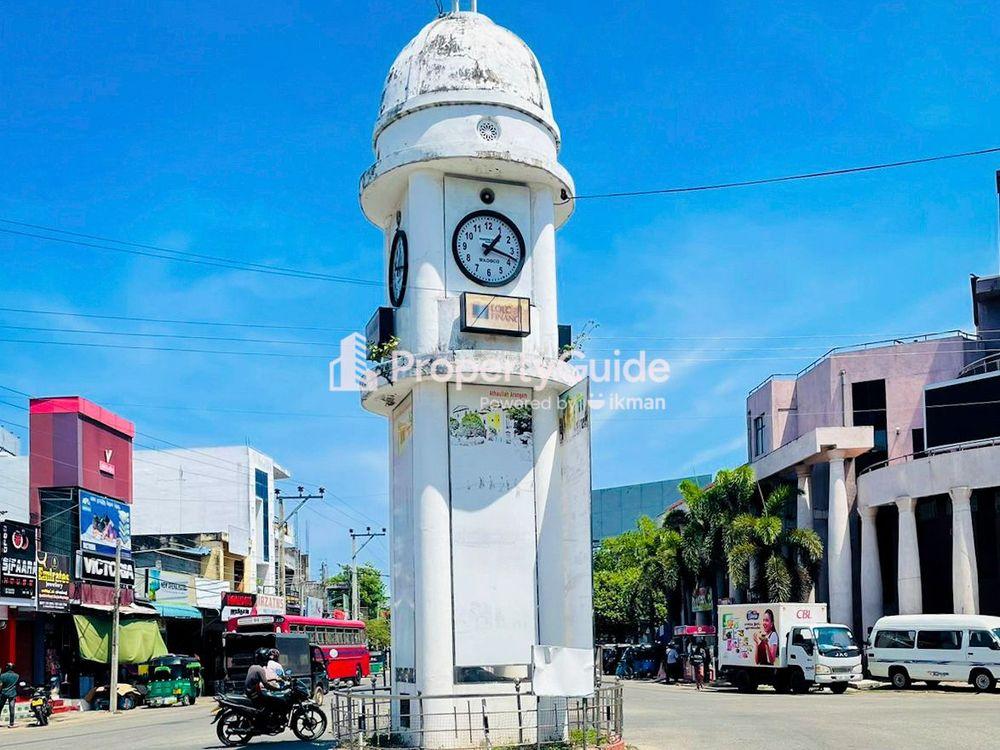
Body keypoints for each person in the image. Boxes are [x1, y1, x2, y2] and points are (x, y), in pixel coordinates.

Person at [245, 648, 285, 716]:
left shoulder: (253, 667)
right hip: (254, 694)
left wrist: (275, 678)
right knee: (273, 700)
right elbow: (266, 684)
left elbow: (263, 680)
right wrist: (277, 689)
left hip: (249, 692)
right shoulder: (260, 669)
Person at [0, 663, 18, 727]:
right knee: (12, 708)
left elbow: (0, 685)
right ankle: (11, 723)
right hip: (12, 693)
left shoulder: (2, 676)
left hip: (3, 693)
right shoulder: (16, 676)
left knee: (0, 707)